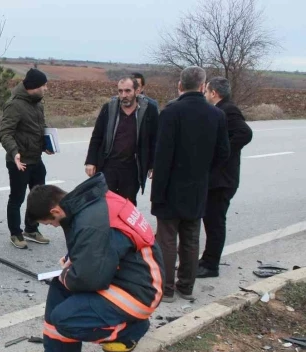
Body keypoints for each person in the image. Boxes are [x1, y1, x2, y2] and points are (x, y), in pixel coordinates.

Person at [22, 175, 165, 352]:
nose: (54, 226)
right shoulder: (90, 203)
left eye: (50, 222)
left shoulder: (93, 222)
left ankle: (131, 330)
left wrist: (68, 273)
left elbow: (90, 279)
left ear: (55, 210)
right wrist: (72, 262)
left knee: (66, 320)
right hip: (126, 276)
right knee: (59, 286)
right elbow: (97, 249)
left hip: (141, 291)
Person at [150, 66, 230, 303]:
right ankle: (186, 286)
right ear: (203, 86)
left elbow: (162, 155)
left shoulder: (171, 112)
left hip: (170, 186)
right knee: (191, 237)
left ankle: (166, 289)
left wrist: (158, 192)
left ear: (179, 85)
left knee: (166, 238)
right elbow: (223, 154)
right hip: (197, 186)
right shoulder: (217, 115)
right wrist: (203, 172)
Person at [198, 77, 253, 278]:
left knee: (215, 222)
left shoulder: (228, 110)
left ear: (214, 93)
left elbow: (245, 133)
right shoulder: (222, 109)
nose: (205, 95)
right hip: (217, 179)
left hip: (223, 180)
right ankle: (207, 259)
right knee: (211, 221)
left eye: (207, 92)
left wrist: (223, 151)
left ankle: (211, 265)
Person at [0, 68, 53, 249]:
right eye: (44, 85)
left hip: (36, 159)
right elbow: (5, 133)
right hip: (19, 162)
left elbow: (40, 127)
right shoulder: (14, 105)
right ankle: (16, 233)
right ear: (34, 86)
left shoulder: (37, 103)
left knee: (37, 198)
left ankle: (31, 229)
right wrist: (14, 153)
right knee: (17, 199)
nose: (46, 88)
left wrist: (47, 145)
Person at [84, 76, 159, 206]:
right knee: (106, 204)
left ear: (137, 91)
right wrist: (91, 161)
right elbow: (97, 136)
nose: (123, 95)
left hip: (133, 168)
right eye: (120, 91)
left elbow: (154, 139)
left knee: (128, 206)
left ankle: (125, 227)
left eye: (128, 91)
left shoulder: (149, 110)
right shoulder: (109, 108)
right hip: (109, 165)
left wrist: (153, 164)